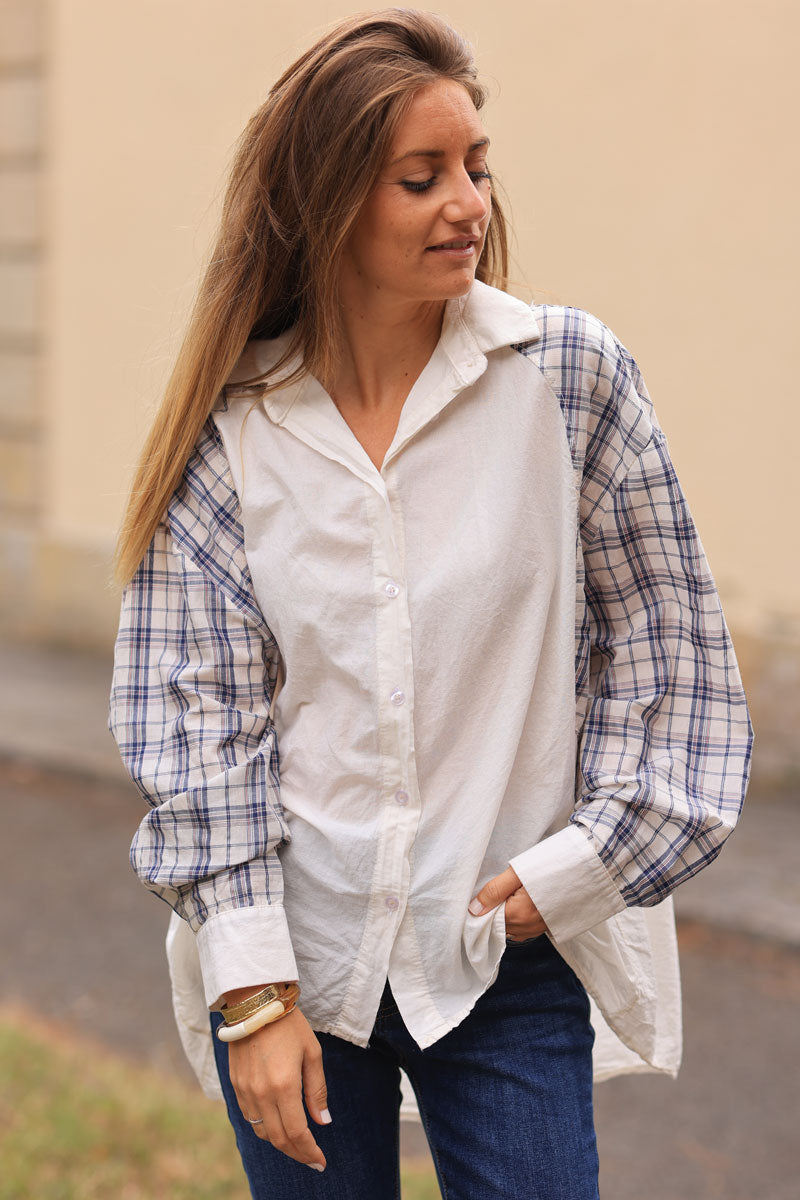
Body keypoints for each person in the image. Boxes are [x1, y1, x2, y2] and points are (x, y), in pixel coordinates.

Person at [108, 9, 753, 1198]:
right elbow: (194, 715)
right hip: (297, 959)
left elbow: (672, 663)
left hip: (503, 963)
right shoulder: (234, 432)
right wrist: (251, 992)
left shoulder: (566, 381)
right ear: (325, 203)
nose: (468, 201)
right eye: (422, 178)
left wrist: (574, 869)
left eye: (475, 165)